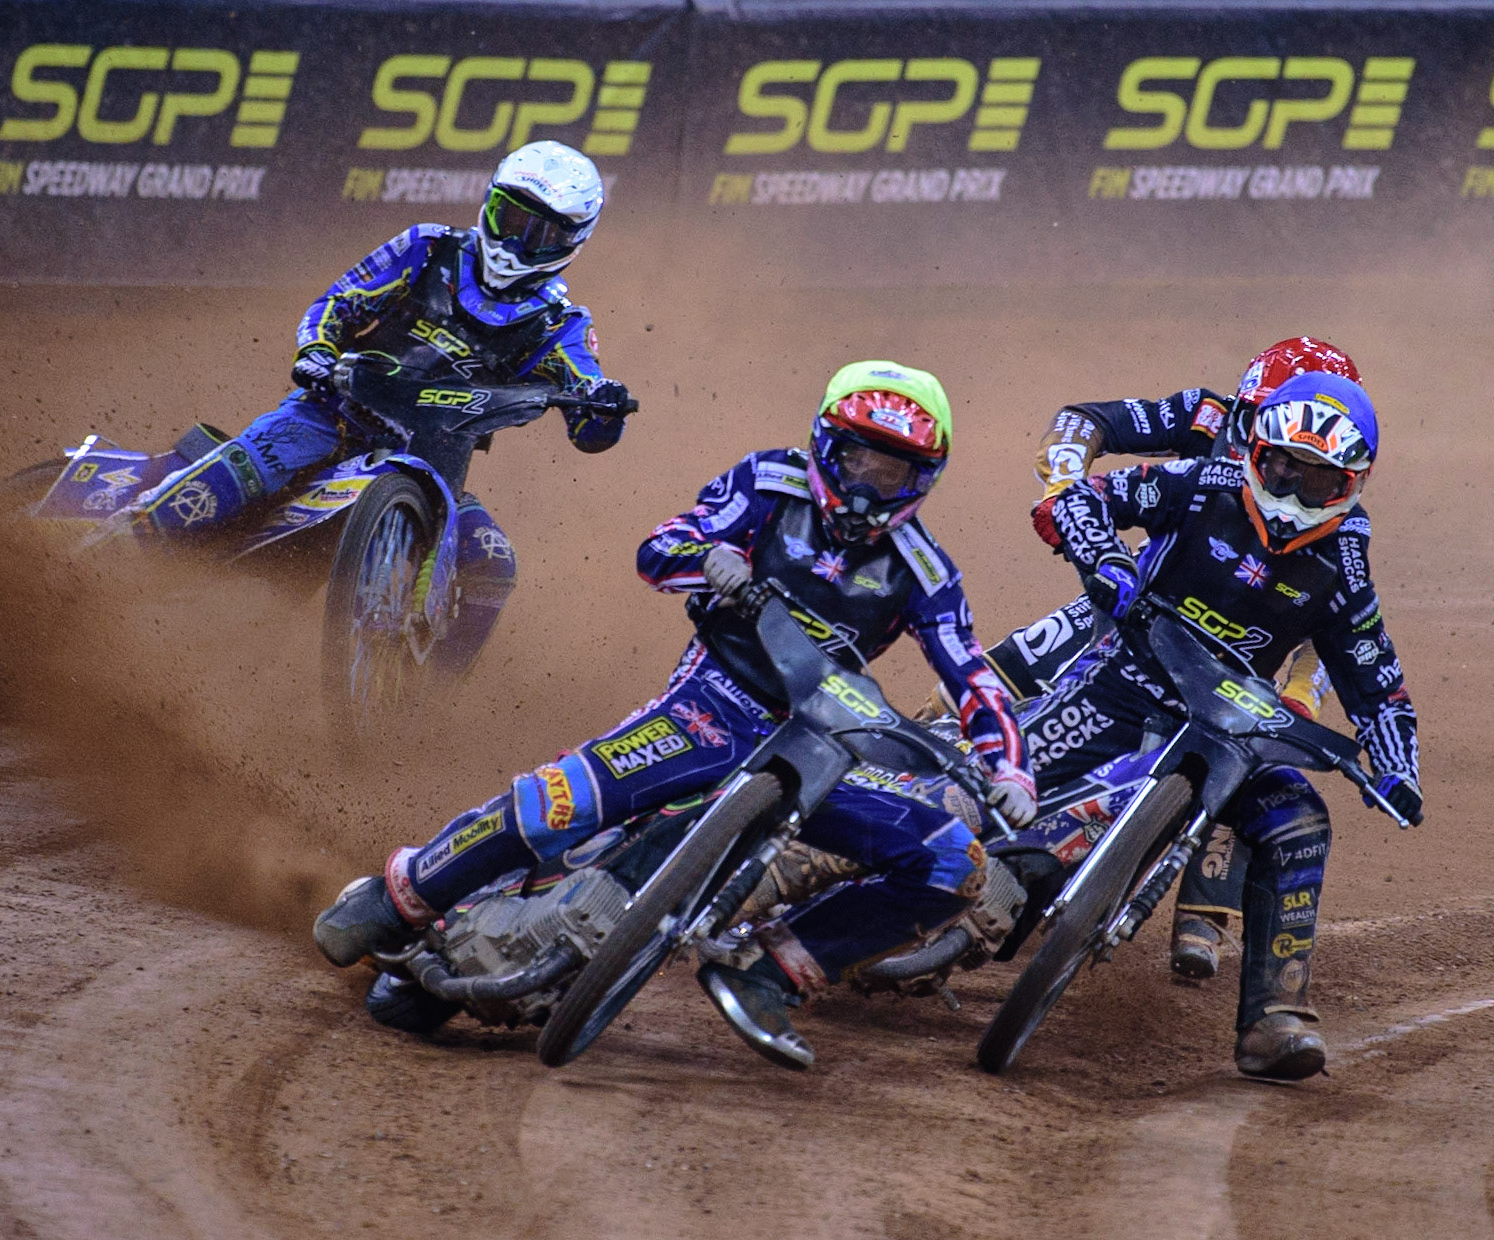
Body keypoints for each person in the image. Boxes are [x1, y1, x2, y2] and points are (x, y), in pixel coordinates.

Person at [313, 360, 1038, 1069]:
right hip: (714, 700)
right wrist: (710, 560)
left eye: (894, 472)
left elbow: (971, 671)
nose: (868, 485)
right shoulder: (767, 482)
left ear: (925, 480)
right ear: (826, 446)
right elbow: (658, 548)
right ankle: (403, 894)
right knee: (569, 798)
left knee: (949, 859)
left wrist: (1011, 767)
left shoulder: (925, 571)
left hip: (816, 747)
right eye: (857, 460)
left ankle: (770, 977)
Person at [1018, 370, 1420, 1080]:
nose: (1295, 493)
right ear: (1256, 450)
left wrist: (1396, 767)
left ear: (1353, 485)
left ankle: (1274, 1017)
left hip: (1231, 726)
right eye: (1283, 468)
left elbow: (1377, 681)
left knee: (1300, 822)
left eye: (1320, 482)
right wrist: (1101, 555)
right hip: (1125, 679)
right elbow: (1086, 497)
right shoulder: (1203, 482)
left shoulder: (1346, 564)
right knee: (993, 768)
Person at [110, 140, 635, 671]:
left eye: (538, 231)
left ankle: (427, 708)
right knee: (250, 466)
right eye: (508, 216)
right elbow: (337, 302)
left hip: (433, 463)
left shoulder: (561, 325)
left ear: (570, 241)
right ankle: (104, 558)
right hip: (333, 414)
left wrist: (603, 406)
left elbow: (589, 418)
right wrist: (316, 353)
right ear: (488, 202)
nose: (515, 239)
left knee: (492, 566)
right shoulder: (429, 248)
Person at [978, 338, 1362, 980]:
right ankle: (912, 789)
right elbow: (1085, 419)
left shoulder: (1330, 521)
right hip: (1132, 607)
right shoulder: (1207, 416)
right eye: (1258, 423)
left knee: (1263, 742)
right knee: (990, 676)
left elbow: (1326, 639)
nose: (1287, 466)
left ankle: (1204, 911)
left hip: (1238, 665)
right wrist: (1065, 484)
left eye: (1315, 462)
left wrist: (1299, 701)